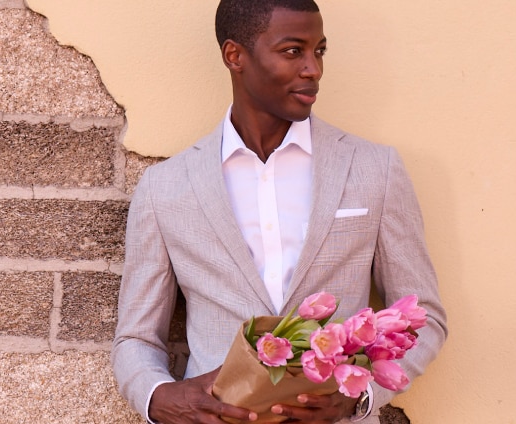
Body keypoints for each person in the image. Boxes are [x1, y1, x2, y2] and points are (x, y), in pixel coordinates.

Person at [112, 1, 447, 422]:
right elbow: (136, 337)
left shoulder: (374, 169)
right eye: (293, 51)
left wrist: (358, 395)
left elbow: (421, 317)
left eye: (319, 51)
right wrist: (159, 397)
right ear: (235, 56)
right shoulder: (165, 187)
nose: (313, 69)